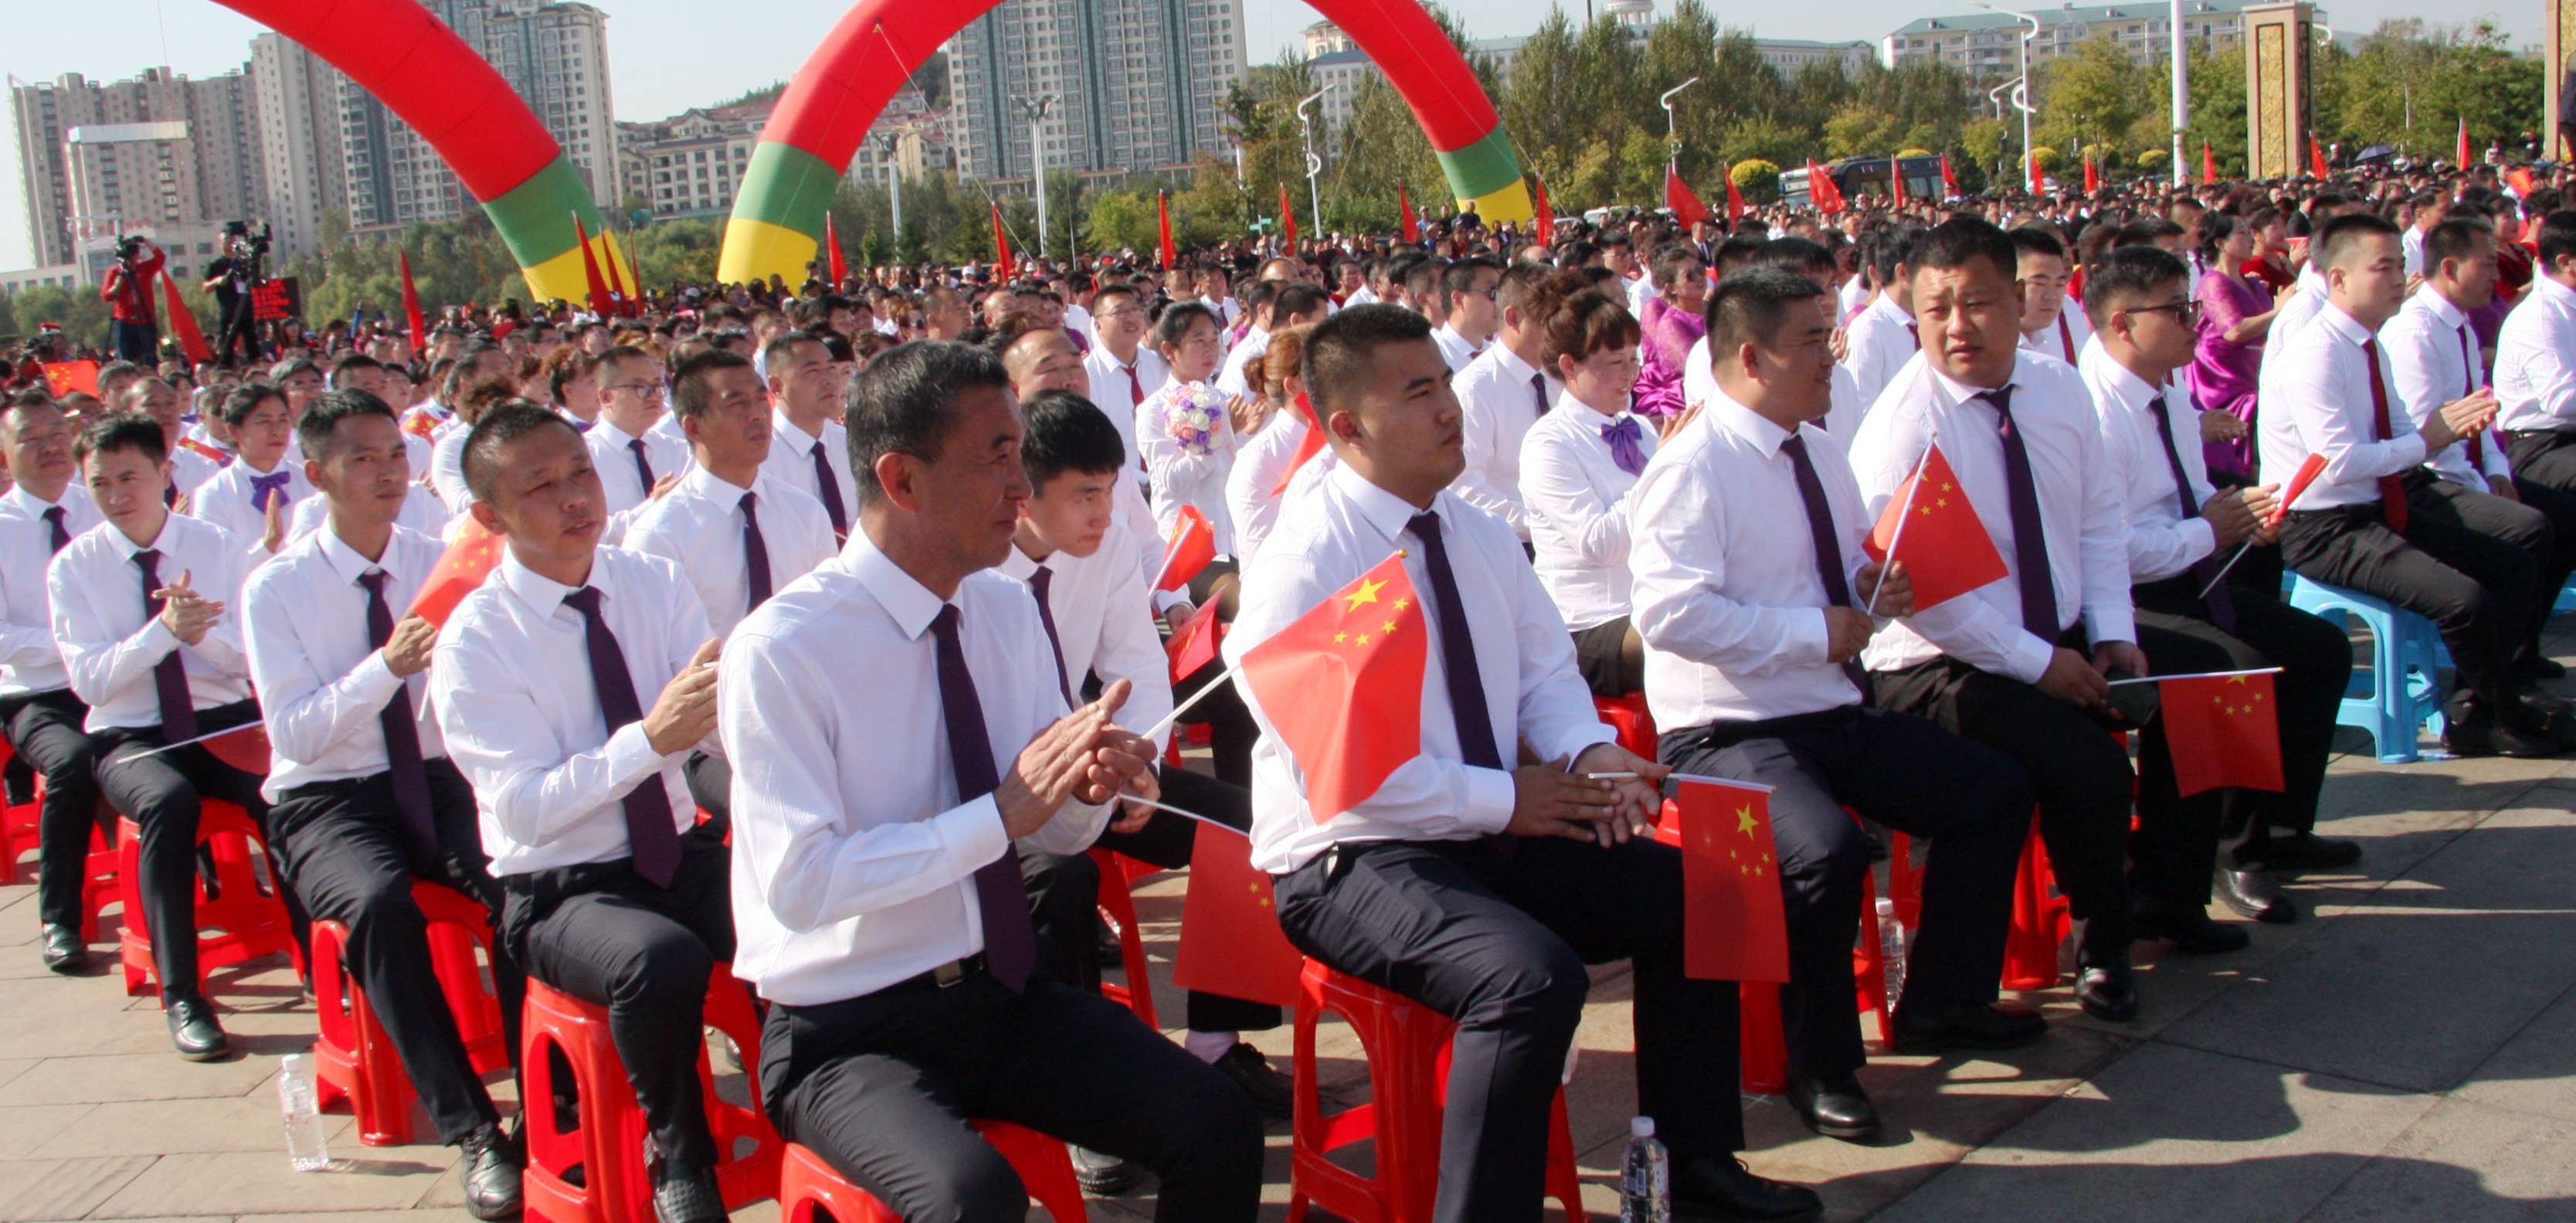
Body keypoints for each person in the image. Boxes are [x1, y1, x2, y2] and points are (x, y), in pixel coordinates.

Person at [1232, 304, 1819, 1223]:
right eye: (1417, 393)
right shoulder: (1305, 563)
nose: (1449, 408)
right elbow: (1347, 773)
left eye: (1444, 383)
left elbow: (1544, 672)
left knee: (1697, 891)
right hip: (1353, 851)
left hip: (1483, 818)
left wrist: (1593, 753)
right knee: (1528, 977)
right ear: (1346, 427)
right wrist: (1509, 799)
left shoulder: (1472, 532)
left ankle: (1696, 1158)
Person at [721, 341, 1264, 1223]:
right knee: (971, 1197)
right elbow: (800, 883)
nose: (1022, 485)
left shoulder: (1004, 609)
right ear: (902, 480)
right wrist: (999, 813)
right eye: (998, 457)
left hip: (999, 992)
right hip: (847, 1026)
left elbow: (1051, 830)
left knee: (1217, 1123)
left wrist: (1085, 790)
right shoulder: (785, 647)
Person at [1634, 267, 2040, 1144]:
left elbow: (1842, 566)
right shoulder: (1693, 466)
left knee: (1993, 789)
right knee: (1823, 852)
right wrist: (1810, 631)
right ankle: (1818, 1063)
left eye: (1830, 334)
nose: (1833, 356)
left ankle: (1942, 997)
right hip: (1728, 730)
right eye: (1814, 340)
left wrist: (1871, 584)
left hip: (1829, 708)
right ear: (1751, 356)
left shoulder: (1816, 448)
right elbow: (1669, 615)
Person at [429, 403, 734, 1223]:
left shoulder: (651, 582)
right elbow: (525, 809)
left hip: (674, 849)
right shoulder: (474, 641)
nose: (574, 497)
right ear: (489, 515)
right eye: (541, 486)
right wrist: (650, 739)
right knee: (658, 958)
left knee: (804, 910)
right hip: (562, 888)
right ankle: (680, 1154)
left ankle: (809, 1101)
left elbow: (708, 718)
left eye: (581, 473)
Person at [1848, 218, 2153, 1022]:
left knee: (2186, 690)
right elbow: (1929, 598)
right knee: (2085, 764)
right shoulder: (1903, 427)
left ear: (2018, 301)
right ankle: (2102, 948)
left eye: (1976, 303)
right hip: (1937, 661)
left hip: (2050, 630)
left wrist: (2113, 631)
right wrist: (2040, 665)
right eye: (1935, 309)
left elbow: (2098, 518)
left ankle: (2171, 898)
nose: (1957, 326)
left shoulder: (2058, 388)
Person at [240, 390, 524, 1218]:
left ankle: (548, 1097)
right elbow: (295, 733)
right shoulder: (276, 587)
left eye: (395, 454)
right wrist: (386, 667)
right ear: (316, 474)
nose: (387, 472)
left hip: (435, 776)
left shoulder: (443, 561)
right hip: (327, 798)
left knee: (525, 884)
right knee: (378, 904)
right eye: (361, 458)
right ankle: (472, 1127)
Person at [1000, 390, 1293, 1187]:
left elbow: (1135, 659)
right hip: (1006, 793)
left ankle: (1216, 1043)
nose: (1105, 513)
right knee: (1057, 880)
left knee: (1249, 827)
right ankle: (1077, 1097)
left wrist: (1141, 759)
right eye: (1083, 496)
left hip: (1099, 770)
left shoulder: (1106, 552)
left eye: (1111, 489)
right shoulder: (974, 566)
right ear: (1023, 492)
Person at [2080, 246, 2357, 933]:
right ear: (2121, 323)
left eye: (2191, 308)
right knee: (2232, 672)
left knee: (2319, 649)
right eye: (2178, 311)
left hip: (2190, 574)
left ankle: (2279, 828)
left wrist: (2240, 515)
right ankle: (2205, 868)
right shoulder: (2095, 411)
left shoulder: (2168, 394)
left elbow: (2196, 494)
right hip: (2123, 601)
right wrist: (2209, 529)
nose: (2194, 325)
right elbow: (2108, 549)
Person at [2261, 212, 2563, 758]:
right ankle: (2499, 714)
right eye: (2383, 268)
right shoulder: (2315, 353)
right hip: (2324, 527)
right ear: (2338, 279)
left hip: (2379, 505)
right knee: (2463, 599)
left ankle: (2479, 706)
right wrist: (2430, 439)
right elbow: (2339, 463)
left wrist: (2431, 439)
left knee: (2514, 564)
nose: (2400, 279)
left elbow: (2403, 432)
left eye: (2400, 265)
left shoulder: (2368, 344)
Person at [49, 414, 269, 1060]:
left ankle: (327, 962)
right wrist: (163, 633)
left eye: (130, 477)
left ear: (165, 473)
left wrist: (202, 636)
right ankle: (183, 993)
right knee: (169, 803)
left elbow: (253, 661)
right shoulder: (74, 567)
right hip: (131, 734)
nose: (117, 494)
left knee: (288, 792)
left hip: (222, 718)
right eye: (100, 482)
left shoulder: (216, 546)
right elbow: (91, 682)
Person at [625, 349, 837, 826]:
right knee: (783, 809)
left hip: (809, 717)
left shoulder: (803, 513)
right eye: (737, 403)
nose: (758, 413)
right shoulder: (659, 536)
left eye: (761, 399)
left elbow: (832, 626)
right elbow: (659, 675)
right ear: (693, 426)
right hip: (710, 743)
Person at [2390, 216, 2576, 684]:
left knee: (2560, 519)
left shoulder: (2460, 326)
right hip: (2429, 477)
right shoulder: (2416, 331)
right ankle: (2488, 684)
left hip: (2476, 462)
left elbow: (2482, 412)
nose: (2498, 275)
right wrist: (2479, 482)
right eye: (2488, 264)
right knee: (2530, 529)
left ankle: (2518, 654)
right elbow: (2428, 440)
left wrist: (2495, 471)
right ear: (2451, 268)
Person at [0, 396, 106, 972]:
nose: (49, 446)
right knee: (72, 761)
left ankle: (209, 881)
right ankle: (60, 917)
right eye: (31, 438)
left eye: (56, 433)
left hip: (116, 680)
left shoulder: (101, 506)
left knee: (184, 748)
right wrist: (73, 644)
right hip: (36, 693)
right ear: (5, 454)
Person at [1520, 287, 1654, 698]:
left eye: (1633, 359)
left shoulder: (1641, 427)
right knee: (1685, 642)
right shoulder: (1549, 443)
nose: (1629, 374)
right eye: (1615, 362)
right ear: (1569, 365)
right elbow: (1600, 543)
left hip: (1651, 600)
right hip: (1589, 623)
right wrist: (1659, 478)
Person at [1449, 263, 1567, 546]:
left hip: (1571, 533)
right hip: (1510, 542)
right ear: (1514, 318)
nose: (1565, 330)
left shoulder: (1562, 375)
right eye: (1553, 319)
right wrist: (1537, 527)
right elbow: (1465, 487)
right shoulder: (1475, 389)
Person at [2191, 212, 2289, 483]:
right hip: (2222, 375)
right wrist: (2280, 311)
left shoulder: (2253, 282)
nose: (2249, 239)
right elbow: (2234, 330)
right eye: (2242, 233)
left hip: (2253, 368)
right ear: (2220, 243)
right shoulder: (2214, 282)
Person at [585, 345, 691, 546]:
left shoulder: (680, 451)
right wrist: (655, 506)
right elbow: (593, 533)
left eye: (657, 385)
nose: (654, 395)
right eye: (640, 387)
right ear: (606, 397)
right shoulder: (583, 458)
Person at [186, 383, 310, 556]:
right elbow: (215, 562)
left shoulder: (311, 481)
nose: (277, 431)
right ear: (233, 430)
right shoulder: (213, 494)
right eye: (263, 422)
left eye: (283, 420)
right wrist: (267, 546)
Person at [1841, 226, 1924, 411]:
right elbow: (1861, 408)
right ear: (1903, 272)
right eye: (1929, 268)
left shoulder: (1925, 321)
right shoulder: (1868, 329)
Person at [1634, 243, 1709, 421]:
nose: (1699, 277)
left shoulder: (1716, 307)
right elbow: (1694, 368)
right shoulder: (1671, 324)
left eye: (1700, 270)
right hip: (1690, 399)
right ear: (1671, 288)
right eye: (1690, 276)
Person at [2012, 227, 2094, 365]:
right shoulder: (1988, 356)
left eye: (2059, 284)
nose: (2051, 296)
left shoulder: (2044, 351)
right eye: (2040, 284)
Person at [100, 238, 166, 363]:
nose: (134, 255)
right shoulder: (114, 272)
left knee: (150, 358)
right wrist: (116, 286)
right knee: (126, 359)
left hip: (146, 320)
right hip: (125, 321)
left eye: (135, 251)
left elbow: (160, 257)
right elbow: (106, 296)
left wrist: (145, 241)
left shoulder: (144, 268)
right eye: (130, 252)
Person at [1431, 258, 1501, 372]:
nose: (1501, 302)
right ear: (1458, 299)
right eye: (1493, 293)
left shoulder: (1498, 355)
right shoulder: (1432, 355)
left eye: (1503, 294)